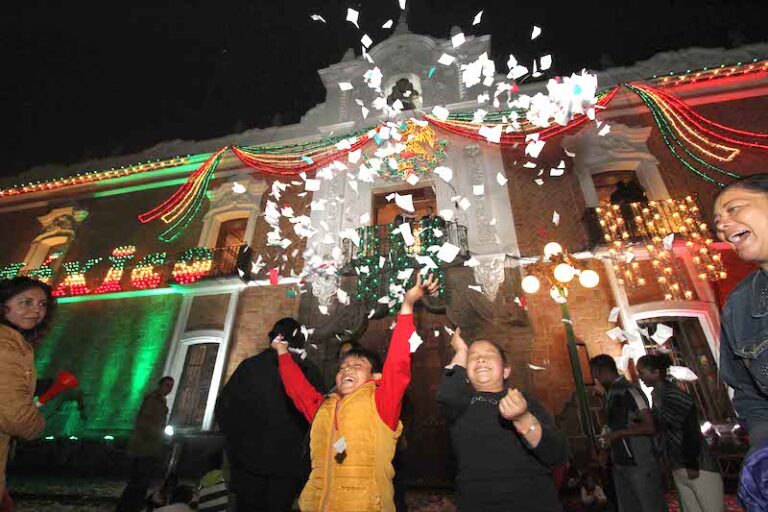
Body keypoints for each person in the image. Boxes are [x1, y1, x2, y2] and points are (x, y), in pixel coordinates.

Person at [274, 274, 439, 512]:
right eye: (343, 367)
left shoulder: (381, 404)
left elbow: (398, 363)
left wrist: (407, 305)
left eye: (357, 365)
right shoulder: (323, 407)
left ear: (374, 377)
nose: (347, 369)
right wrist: (282, 353)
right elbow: (297, 389)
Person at [438, 327, 568, 511]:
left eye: (489, 355)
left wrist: (523, 418)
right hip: (478, 502)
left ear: (506, 371)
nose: (480, 359)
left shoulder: (522, 400)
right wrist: (461, 351)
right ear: (465, 371)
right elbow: (446, 394)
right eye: (473, 356)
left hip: (533, 501)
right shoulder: (461, 403)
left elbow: (557, 453)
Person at [215, 317, 323, 512]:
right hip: (287, 466)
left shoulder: (249, 367)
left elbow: (224, 410)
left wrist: (237, 449)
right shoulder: (309, 371)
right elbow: (319, 418)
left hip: (248, 464)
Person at [713, 174, 768, 448]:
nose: (722, 225)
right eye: (717, 222)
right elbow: (750, 396)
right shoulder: (739, 307)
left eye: (733, 208)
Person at [636, 354, 723, 512]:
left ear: (656, 372)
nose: (640, 377)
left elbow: (689, 427)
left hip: (697, 463)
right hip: (679, 463)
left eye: (642, 373)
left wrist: (691, 461)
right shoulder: (658, 395)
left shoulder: (670, 394)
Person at [0, 277, 55, 509]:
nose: (36, 310)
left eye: (42, 304)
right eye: (25, 302)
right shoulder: (5, 346)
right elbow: (17, 417)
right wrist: (38, 425)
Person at [590, 354, 667, 512]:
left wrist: (616, 435)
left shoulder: (629, 390)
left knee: (649, 505)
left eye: (595, 374)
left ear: (601, 372)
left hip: (639, 461)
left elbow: (649, 426)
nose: (594, 379)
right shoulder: (611, 393)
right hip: (621, 461)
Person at [116, 376, 175, 512]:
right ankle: (127, 508)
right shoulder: (153, 400)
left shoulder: (161, 401)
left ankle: (131, 507)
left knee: (142, 482)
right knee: (138, 483)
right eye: (167, 385)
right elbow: (146, 423)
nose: (169, 388)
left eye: (171, 386)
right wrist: (160, 436)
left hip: (151, 448)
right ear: (160, 385)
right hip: (144, 448)